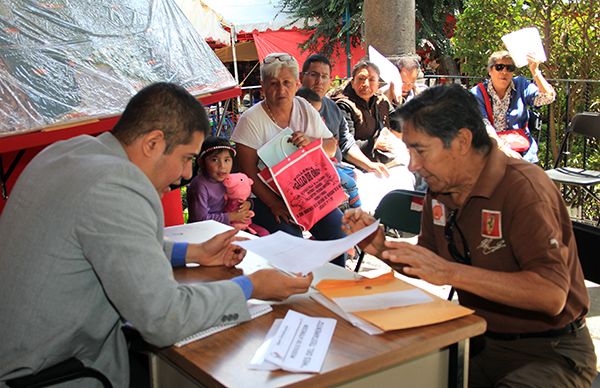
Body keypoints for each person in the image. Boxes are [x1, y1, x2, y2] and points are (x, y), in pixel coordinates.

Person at [0, 82, 312, 387]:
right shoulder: (117, 184)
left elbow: (108, 242)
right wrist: (250, 286)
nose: (187, 174)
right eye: (187, 158)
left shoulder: (71, 152)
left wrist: (192, 253)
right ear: (152, 143)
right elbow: (164, 319)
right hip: (54, 370)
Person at [343, 84, 596, 387]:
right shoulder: (441, 190)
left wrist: (451, 272)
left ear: (461, 141)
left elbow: (552, 295)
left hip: (550, 352)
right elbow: (431, 260)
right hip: (475, 338)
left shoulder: (524, 188)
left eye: (420, 150)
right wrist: (382, 248)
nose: (412, 164)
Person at [231, 53, 347, 267]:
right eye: (273, 84)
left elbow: (332, 146)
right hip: (266, 198)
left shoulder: (304, 107)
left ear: (296, 84)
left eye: (286, 83)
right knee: (291, 240)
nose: (281, 90)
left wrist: (311, 141)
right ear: (262, 86)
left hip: (307, 192)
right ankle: (295, 293)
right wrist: (275, 205)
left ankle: (334, 286)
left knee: (338, 233)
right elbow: (249, 174)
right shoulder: (251, 120)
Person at [300, 54, 389, 177]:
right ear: (301, 77)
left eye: (324, 76)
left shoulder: (333, 108)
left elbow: (346, 143)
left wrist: (370, 165)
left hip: (339, 171)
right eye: (313, 75)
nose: (319, 81)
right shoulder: (292, 108)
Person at [470, 50, 556, 163]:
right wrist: (504, 150)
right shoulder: (477, 93)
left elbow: (548, 97)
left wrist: (535, 71)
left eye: (509, 68)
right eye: (499, 67)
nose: (504, 71)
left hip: (521, 149)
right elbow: (484, 125)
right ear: (490, 70)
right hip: (491, 148)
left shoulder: (521, 85)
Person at [186, 136, 268, 235]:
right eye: (214, 160)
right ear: (201, 162)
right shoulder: (200, 186)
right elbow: (200, 220)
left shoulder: (230, 179)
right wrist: (231, 216)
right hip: (206, 233)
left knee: (264, 233)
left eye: (226, 160)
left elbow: (241, 196)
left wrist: (247, 204)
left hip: (230, 225)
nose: (222, 166)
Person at [296, 86, 361, 209]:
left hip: (330, 162)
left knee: (352, 174)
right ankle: (357, 209)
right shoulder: (298, 128)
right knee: (350, 184)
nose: (315, 117)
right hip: (315, 171)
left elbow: (334, 144)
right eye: (311, 113)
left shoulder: (320, 123)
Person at [330, 60, 401, 165]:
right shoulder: (344, 106)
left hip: (383, 158)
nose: (366, 84)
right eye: (361, 79)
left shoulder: (381, 100)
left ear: (378, 84)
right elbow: (346, 145)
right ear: (353, 82)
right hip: (358, 166)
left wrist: (397, 101)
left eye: (372, 80)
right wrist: (374, 144)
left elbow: (398, 122)